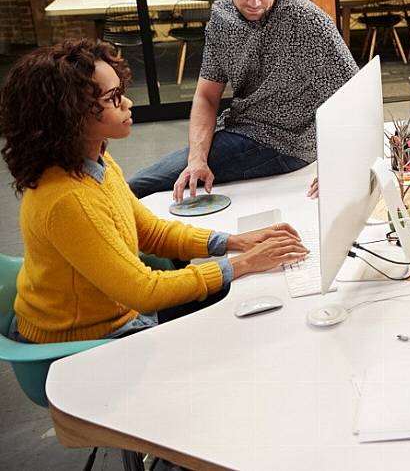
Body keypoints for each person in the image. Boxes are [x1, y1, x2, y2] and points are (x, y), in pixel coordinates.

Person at [0, 39, 309, 344]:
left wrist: (233, 242)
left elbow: (149, 232)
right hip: (81, 338)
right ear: (67, 116)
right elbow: (143, 291)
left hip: (119, 315)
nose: (127, 103)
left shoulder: (97, 162)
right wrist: (244, 263)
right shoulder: (68, 199)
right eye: (113, 98)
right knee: (242, 332)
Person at [127, 0, 358, 202]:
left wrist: (343, 165)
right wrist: (197, 159)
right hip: (239, 126)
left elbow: (355, 96)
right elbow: (206, 96)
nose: (255, 1)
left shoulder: (306, 21)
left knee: (138, 186)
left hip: (284, 142)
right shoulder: (222, 21)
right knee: (160, 180)